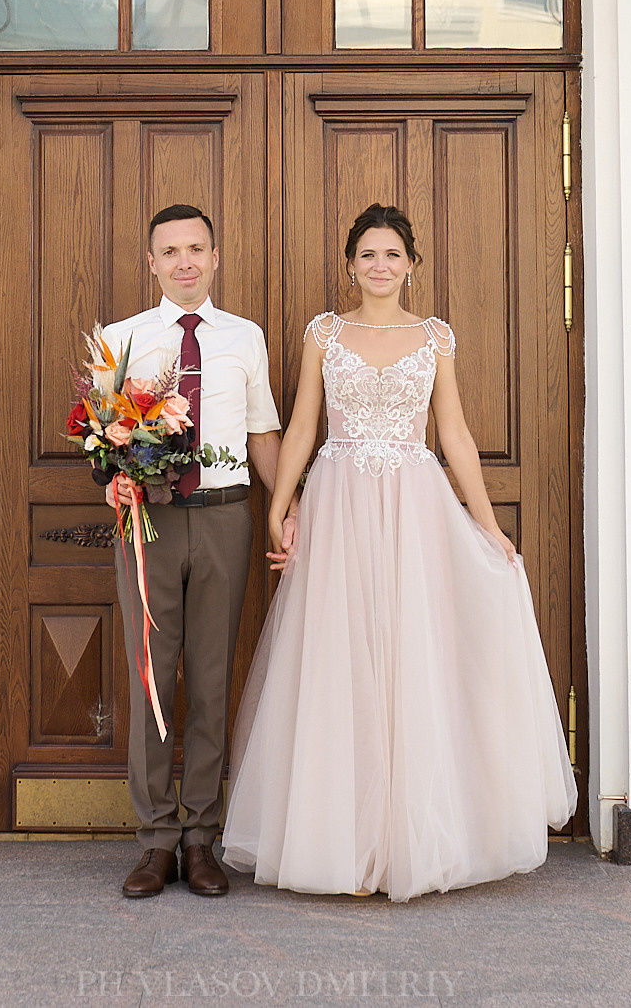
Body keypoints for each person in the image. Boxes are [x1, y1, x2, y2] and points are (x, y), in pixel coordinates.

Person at [222, 203, 577, 901]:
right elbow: (299, 427)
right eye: (367, 255)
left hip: (415, 507)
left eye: (392, 255)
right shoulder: (323, 333)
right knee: (338, 660)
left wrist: (488, 525)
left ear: (411, 264)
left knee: (415, 660)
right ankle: (343, 843)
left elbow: (457, 436)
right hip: (339, 501)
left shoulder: (435, 337)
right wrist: (278, 506)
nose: (379, 266)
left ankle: (416, 840)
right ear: (349, 264)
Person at [101, 204, 288, 899]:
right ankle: (154, 842)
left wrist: (287, 510)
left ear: (215, 257)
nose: (184, 261)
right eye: (170, 251)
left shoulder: (245, 337)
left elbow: (264, 433)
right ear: (150, 262)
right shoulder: (119, 340)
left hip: (224, 519)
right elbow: (104, 441)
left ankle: (201, 839)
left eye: (196, 249)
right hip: (148, 523)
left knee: (210, 683)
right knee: (152, 682)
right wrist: (113, 482)